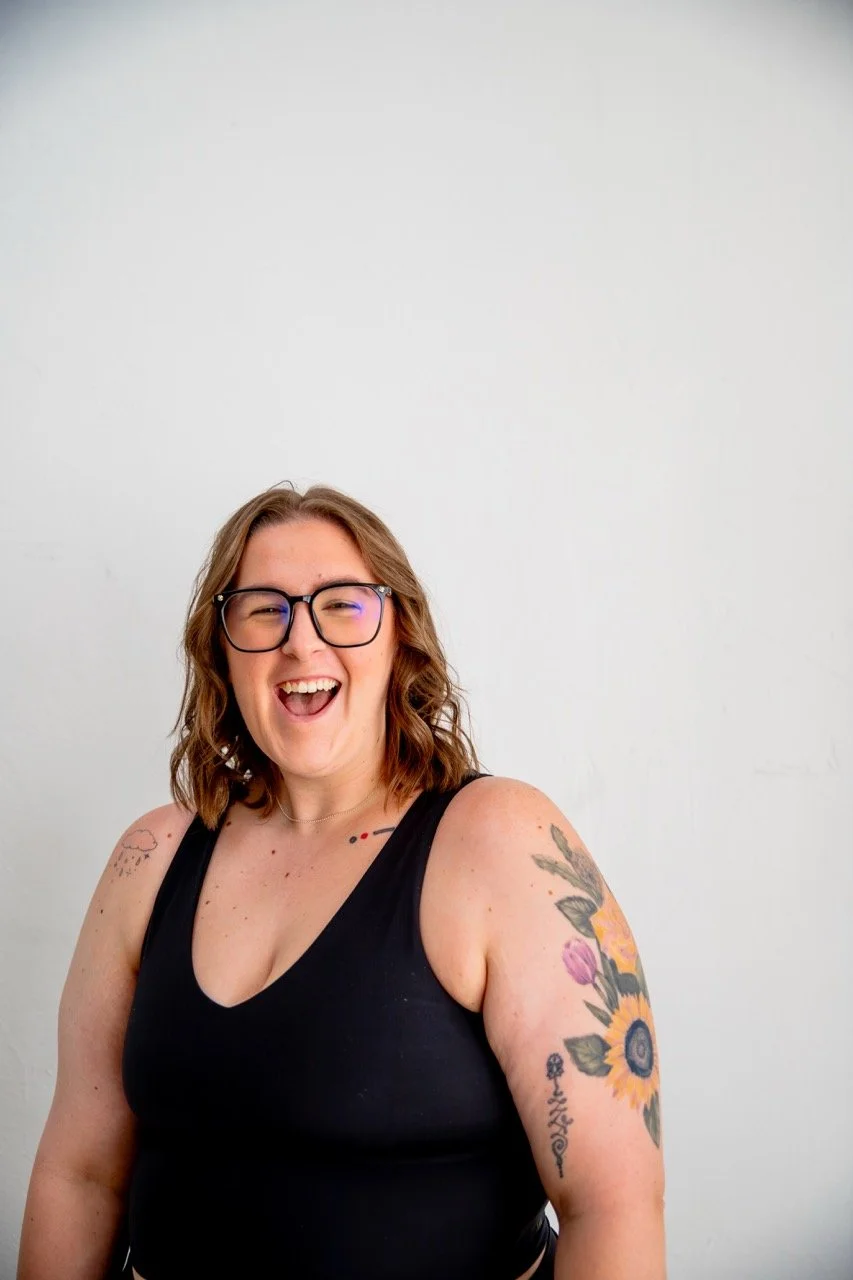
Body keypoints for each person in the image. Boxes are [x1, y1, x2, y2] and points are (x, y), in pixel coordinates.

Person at [17, 483, 666, 1280]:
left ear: (400, 636)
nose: (301, 644)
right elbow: (78, 1176)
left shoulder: (500, 842)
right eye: (264, 609)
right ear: (222, 648)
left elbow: (612, 1203)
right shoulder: (149, 857)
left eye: (342, 606)